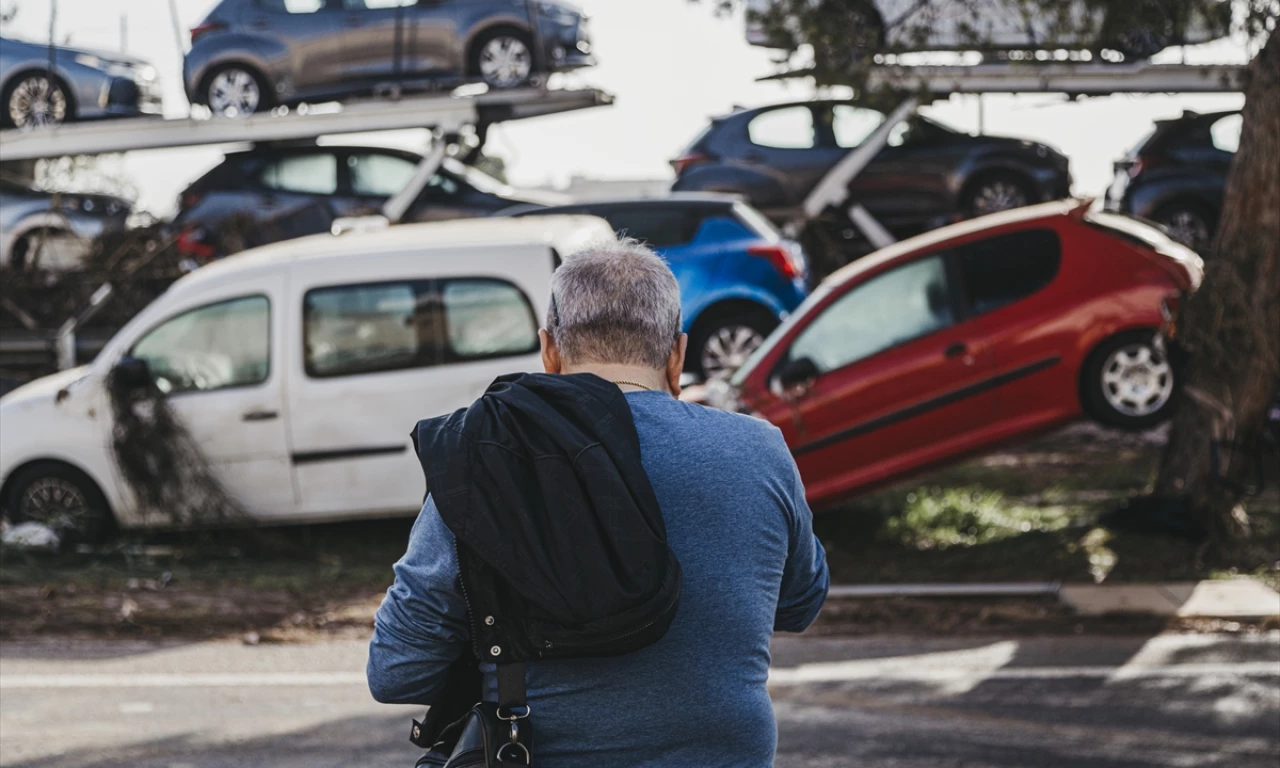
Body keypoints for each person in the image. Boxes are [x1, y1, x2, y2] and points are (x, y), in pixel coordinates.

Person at [367, 238, 829, 767]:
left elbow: (398, 670)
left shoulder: (484, 459)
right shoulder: (760, 450)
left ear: (549, 351)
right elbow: (799, 603)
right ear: (677, 354)